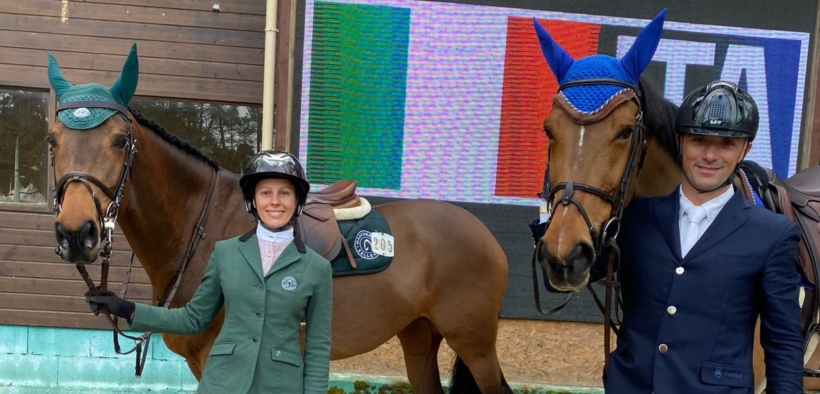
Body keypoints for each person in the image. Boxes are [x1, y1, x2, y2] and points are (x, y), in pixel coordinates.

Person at [594, 81, 803, 393]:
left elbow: (783, 342)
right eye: (699, 140)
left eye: (726, 144)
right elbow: (562, 277)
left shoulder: (773, 234)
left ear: (745, 149)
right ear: (680, 142)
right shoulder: (634, 218)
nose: (709, 155)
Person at [87, 150, 334, 394]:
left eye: (285, 193)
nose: (275, 201)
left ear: (297, 200)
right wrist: (128, 309)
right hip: (221, 384)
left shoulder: (317, 268)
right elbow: (193, 319)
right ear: (253, 200)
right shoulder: (226, 253)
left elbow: (318, 349)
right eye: (265, 193)